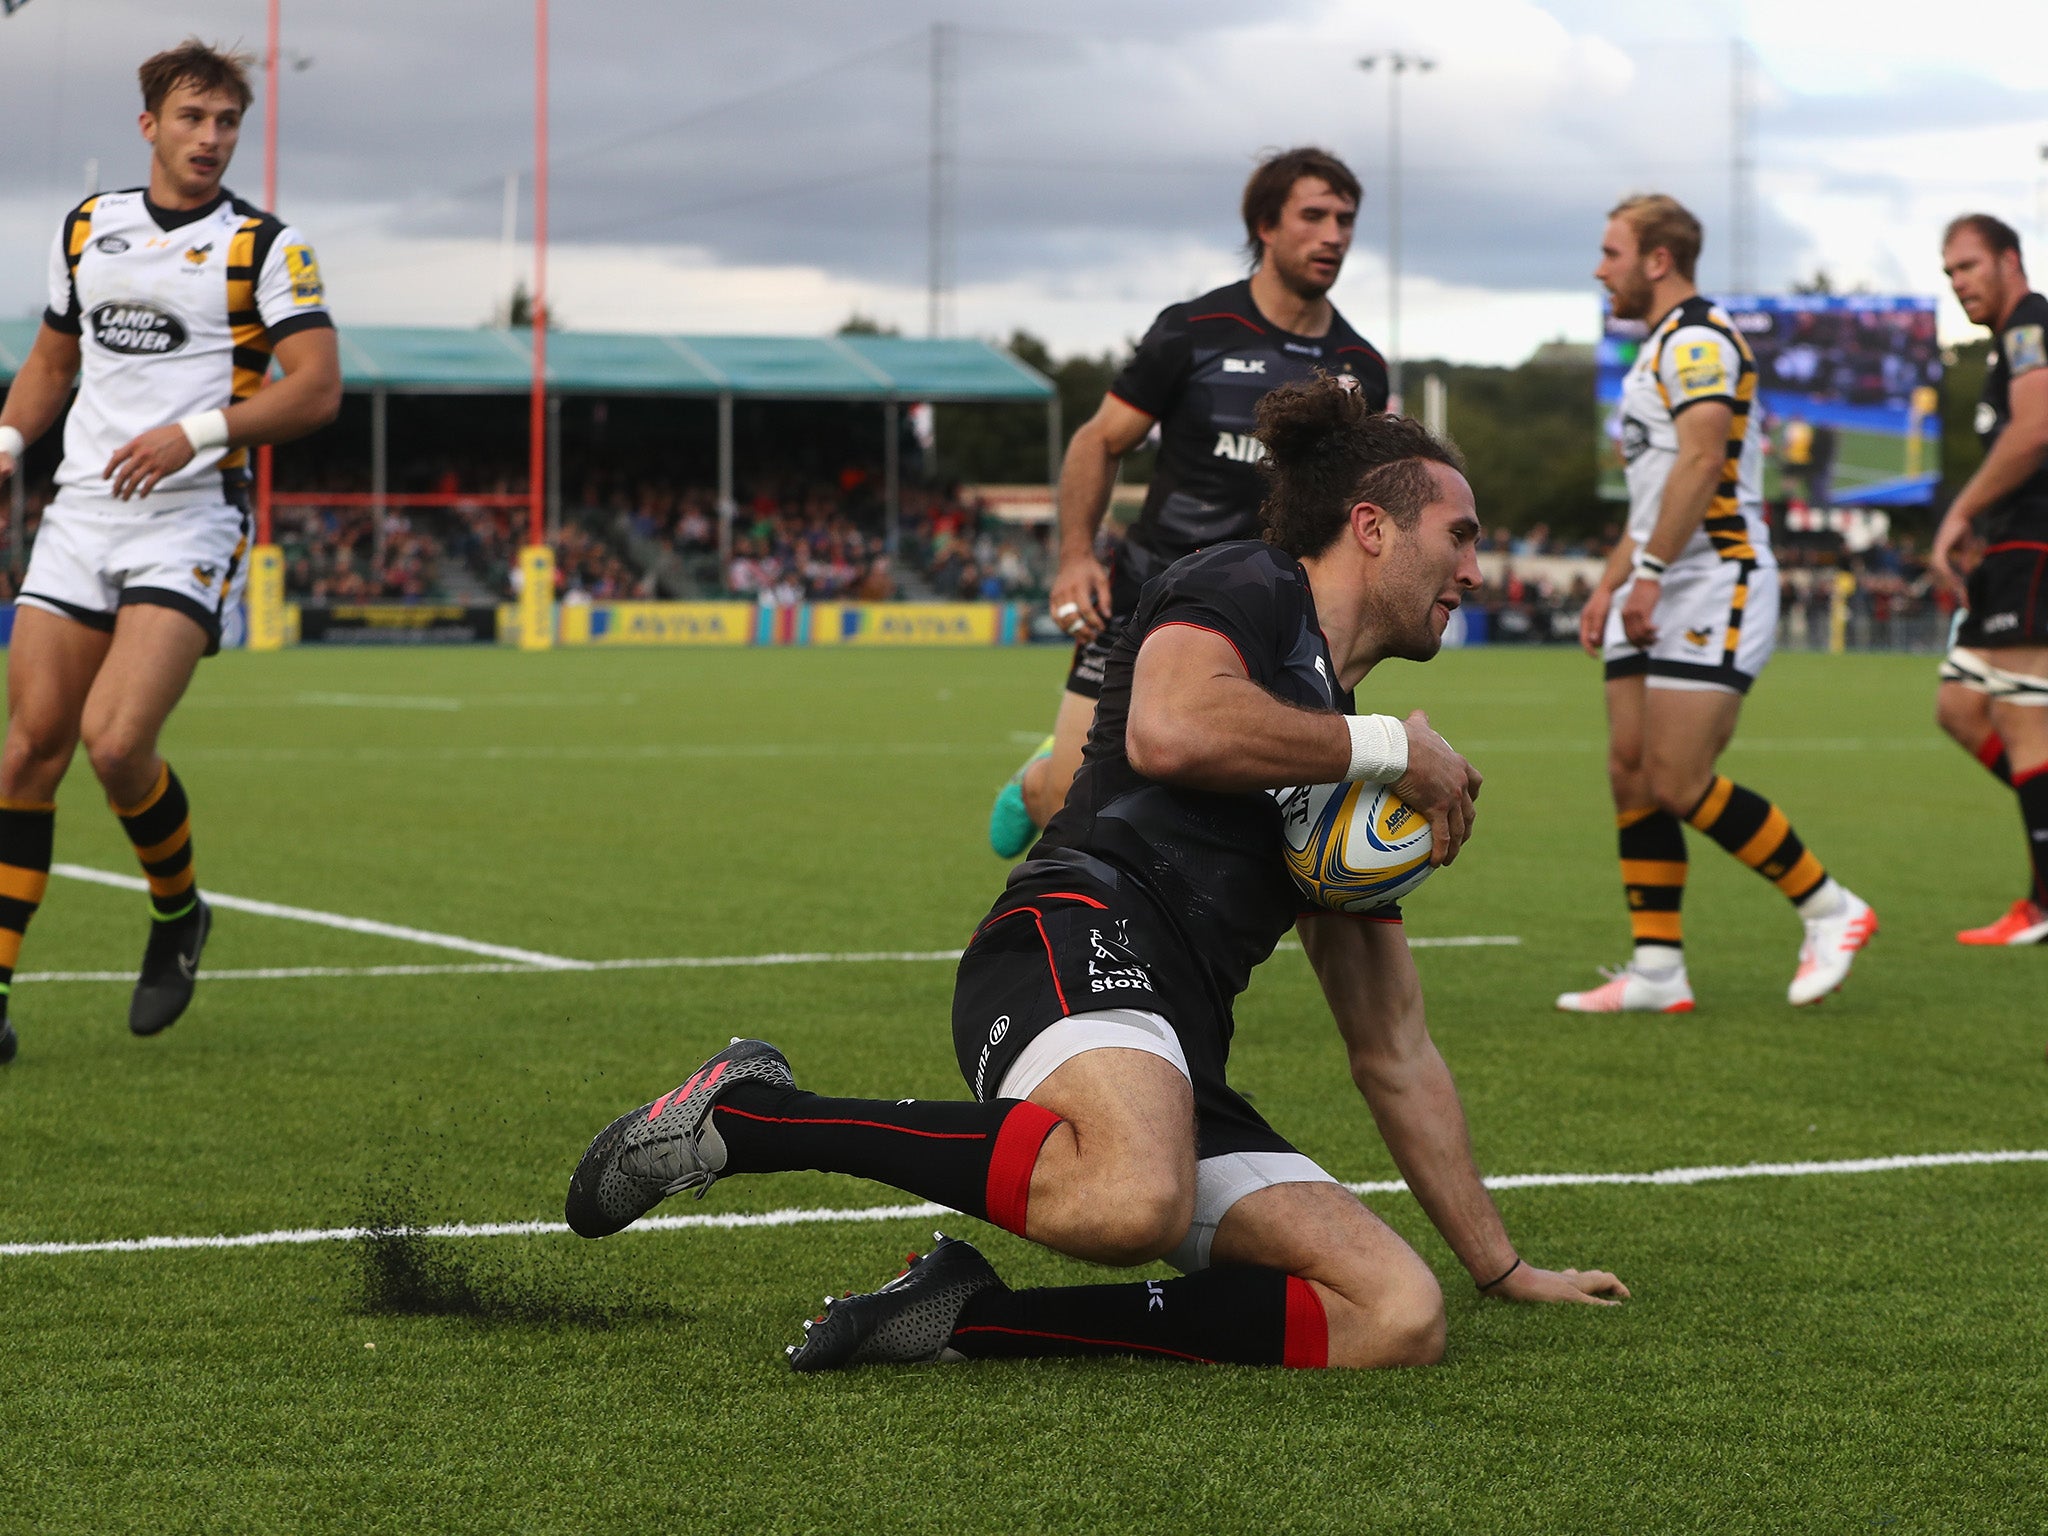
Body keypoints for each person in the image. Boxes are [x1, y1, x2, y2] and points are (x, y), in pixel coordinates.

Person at [565, 378, 1626, 1375]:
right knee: (1131, 1195)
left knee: (1392, 1313)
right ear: (1369, 527)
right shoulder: (1247, 582)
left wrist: (1498, 1264)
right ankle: (751, 1114)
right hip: (1068, 938)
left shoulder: (1344, 767)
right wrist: (1390, 745)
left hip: (1171, 1064)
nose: (1476, 571)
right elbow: (1168, 730)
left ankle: (960, 1318)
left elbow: (1392, 1048)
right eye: (1460, 537)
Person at [0, 40, 341, 1064]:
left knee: (113, 744)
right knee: (28, 750)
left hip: (191, 515)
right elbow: (54, 360)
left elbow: (316, 387)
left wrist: (197, 433)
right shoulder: (88, 228)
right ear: (149, 126)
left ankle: (177, 913)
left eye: (227, 122)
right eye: (193, 118)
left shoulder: (263, 247)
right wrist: (9, 444)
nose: (210, 138)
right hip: (81, 515)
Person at [987, 146, 1388, 858]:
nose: (1334, 235)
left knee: (1295, 846)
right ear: (1265, 224)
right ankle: (1039, 777)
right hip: (1150, 593)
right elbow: (1098, 440)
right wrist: (1076, 557)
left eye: (1346, 220)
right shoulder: (1193, 331)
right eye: (1314, 216)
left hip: (1276, 616)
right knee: (1069, 808)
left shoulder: (1361, 369)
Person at [1561, 195, 1875, 1015]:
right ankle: (1659, 967)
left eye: (1611, 251)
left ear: (1657, 259)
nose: (1601, 268)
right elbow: (1655, 493)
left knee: (1675, 777)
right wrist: (1611, 581)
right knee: (1630, 772)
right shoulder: (1657, 348)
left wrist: (1655, 569)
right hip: (1659, 574)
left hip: (1714, 577)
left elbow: (1701, 464)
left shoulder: (1698, 340)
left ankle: (1830, 906)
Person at [1929, 214, 2048, 946]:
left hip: (2036, 543)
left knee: (2022, 721)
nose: (1960, 283)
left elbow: (2036, 429)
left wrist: (1958, 512)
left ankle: (2041, 905)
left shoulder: (2029, 325)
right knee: (1960, 707)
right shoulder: (2005, 346)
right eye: (1950, 274)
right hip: (2008, 547)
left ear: (2009, 260)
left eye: (1969, 266)